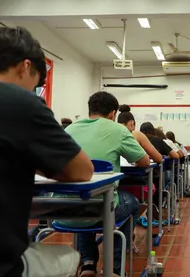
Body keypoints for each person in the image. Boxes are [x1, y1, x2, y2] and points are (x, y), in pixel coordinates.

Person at [0, 27, 94, 277]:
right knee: (69, 257)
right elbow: (82, 170)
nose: (33, 91)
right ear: (24, 66)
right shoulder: (19, 102)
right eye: (36, 84)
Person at [62, 91, 150, 277]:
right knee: (130, 203)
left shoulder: (68, 130)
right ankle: (116, 267)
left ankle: (87, 263)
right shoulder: (118, 130)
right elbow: (144, 162)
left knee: (85, 198)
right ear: (112, 113)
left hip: (64, 210)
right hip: (102, 209)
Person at [140, 122, 180, 220]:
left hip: (138, 178)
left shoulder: (135, 140)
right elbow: (176, 155)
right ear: (153, 131)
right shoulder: (158, 140)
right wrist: (165, 156)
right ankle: (156, 209)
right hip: (156, 177)